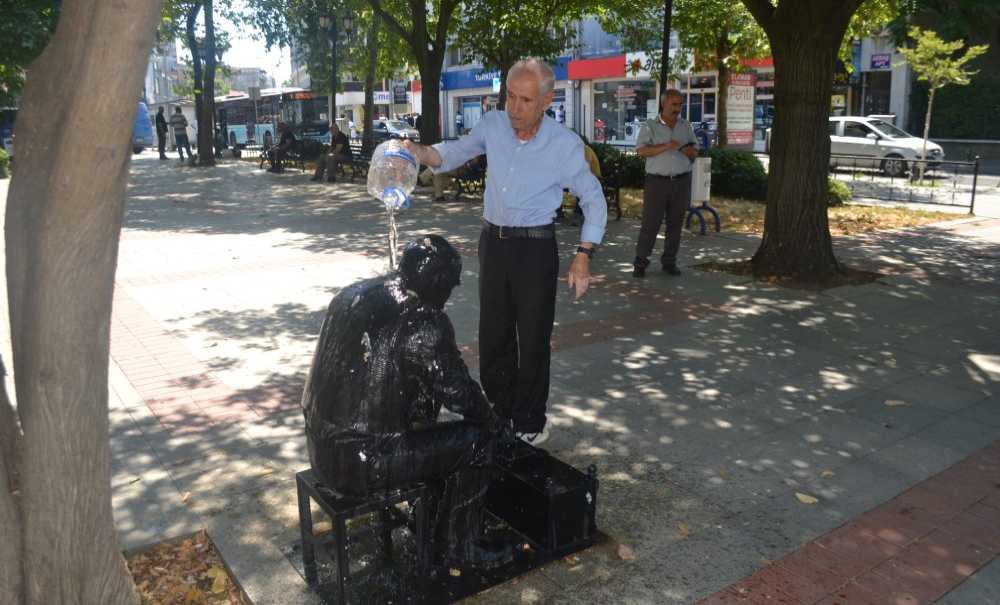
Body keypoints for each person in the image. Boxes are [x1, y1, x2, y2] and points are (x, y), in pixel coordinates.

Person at [404, 58, 607, 445]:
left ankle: (530, 421)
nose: (514, 108)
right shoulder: (494, 126)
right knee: (493, 334)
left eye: (525, 100)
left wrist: (583, 255)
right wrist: (419, 152)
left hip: (535, 249)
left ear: (547, 100)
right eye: (510, 97)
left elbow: (594, 201)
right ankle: (499, 409)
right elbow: (454, 151)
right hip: (493, 244)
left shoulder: (564, 145)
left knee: (532, 337)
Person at [301, 235, 509, 569]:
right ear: (439, 283)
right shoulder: (424, 321)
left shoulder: (354, 294)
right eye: (450, 288)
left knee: (425, 411)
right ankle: (460, 547)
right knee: (478, 440)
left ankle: (437, 515)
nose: (448, 298)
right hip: (362, 463)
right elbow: (458, 393)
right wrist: (492, 419)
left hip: (320, 445)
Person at [632, 89, 698, 278]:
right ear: (664, 104)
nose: (678, 108)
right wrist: (667, 146)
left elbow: (694, 151)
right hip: (656, 183)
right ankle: (640, 262)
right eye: (674, 104)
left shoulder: (686, 126)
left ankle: (669, 262)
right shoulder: (650, 126)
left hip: (680, 181)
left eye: (680, 104)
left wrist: (685, 149)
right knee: (650, 224)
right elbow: (642, 151)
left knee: (675, 224)